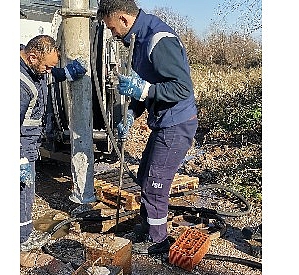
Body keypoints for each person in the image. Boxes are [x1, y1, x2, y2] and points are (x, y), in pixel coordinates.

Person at [97, 0, 199, 257]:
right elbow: (146, 89)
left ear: (123, 19)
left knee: (155, 184)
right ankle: (147, 226)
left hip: (177, 122)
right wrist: (130, 114)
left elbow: (182, 88)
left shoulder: (159, 40)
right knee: (145, 177)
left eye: (111, 28)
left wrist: (144, 90)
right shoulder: (140, 42)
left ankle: (158, 241)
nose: (112, 33)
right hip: (164, 120)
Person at [20, 35, 86, 251]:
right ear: (32, 57)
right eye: (48, 66)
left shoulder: (34, 68)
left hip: (29, 143)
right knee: (23, 192)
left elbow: (47, 77)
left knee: (25, 191)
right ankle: (22, 239)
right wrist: (19, 158)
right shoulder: (20, 85)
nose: (49, 71)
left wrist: (65, 73)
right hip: (21, 146)